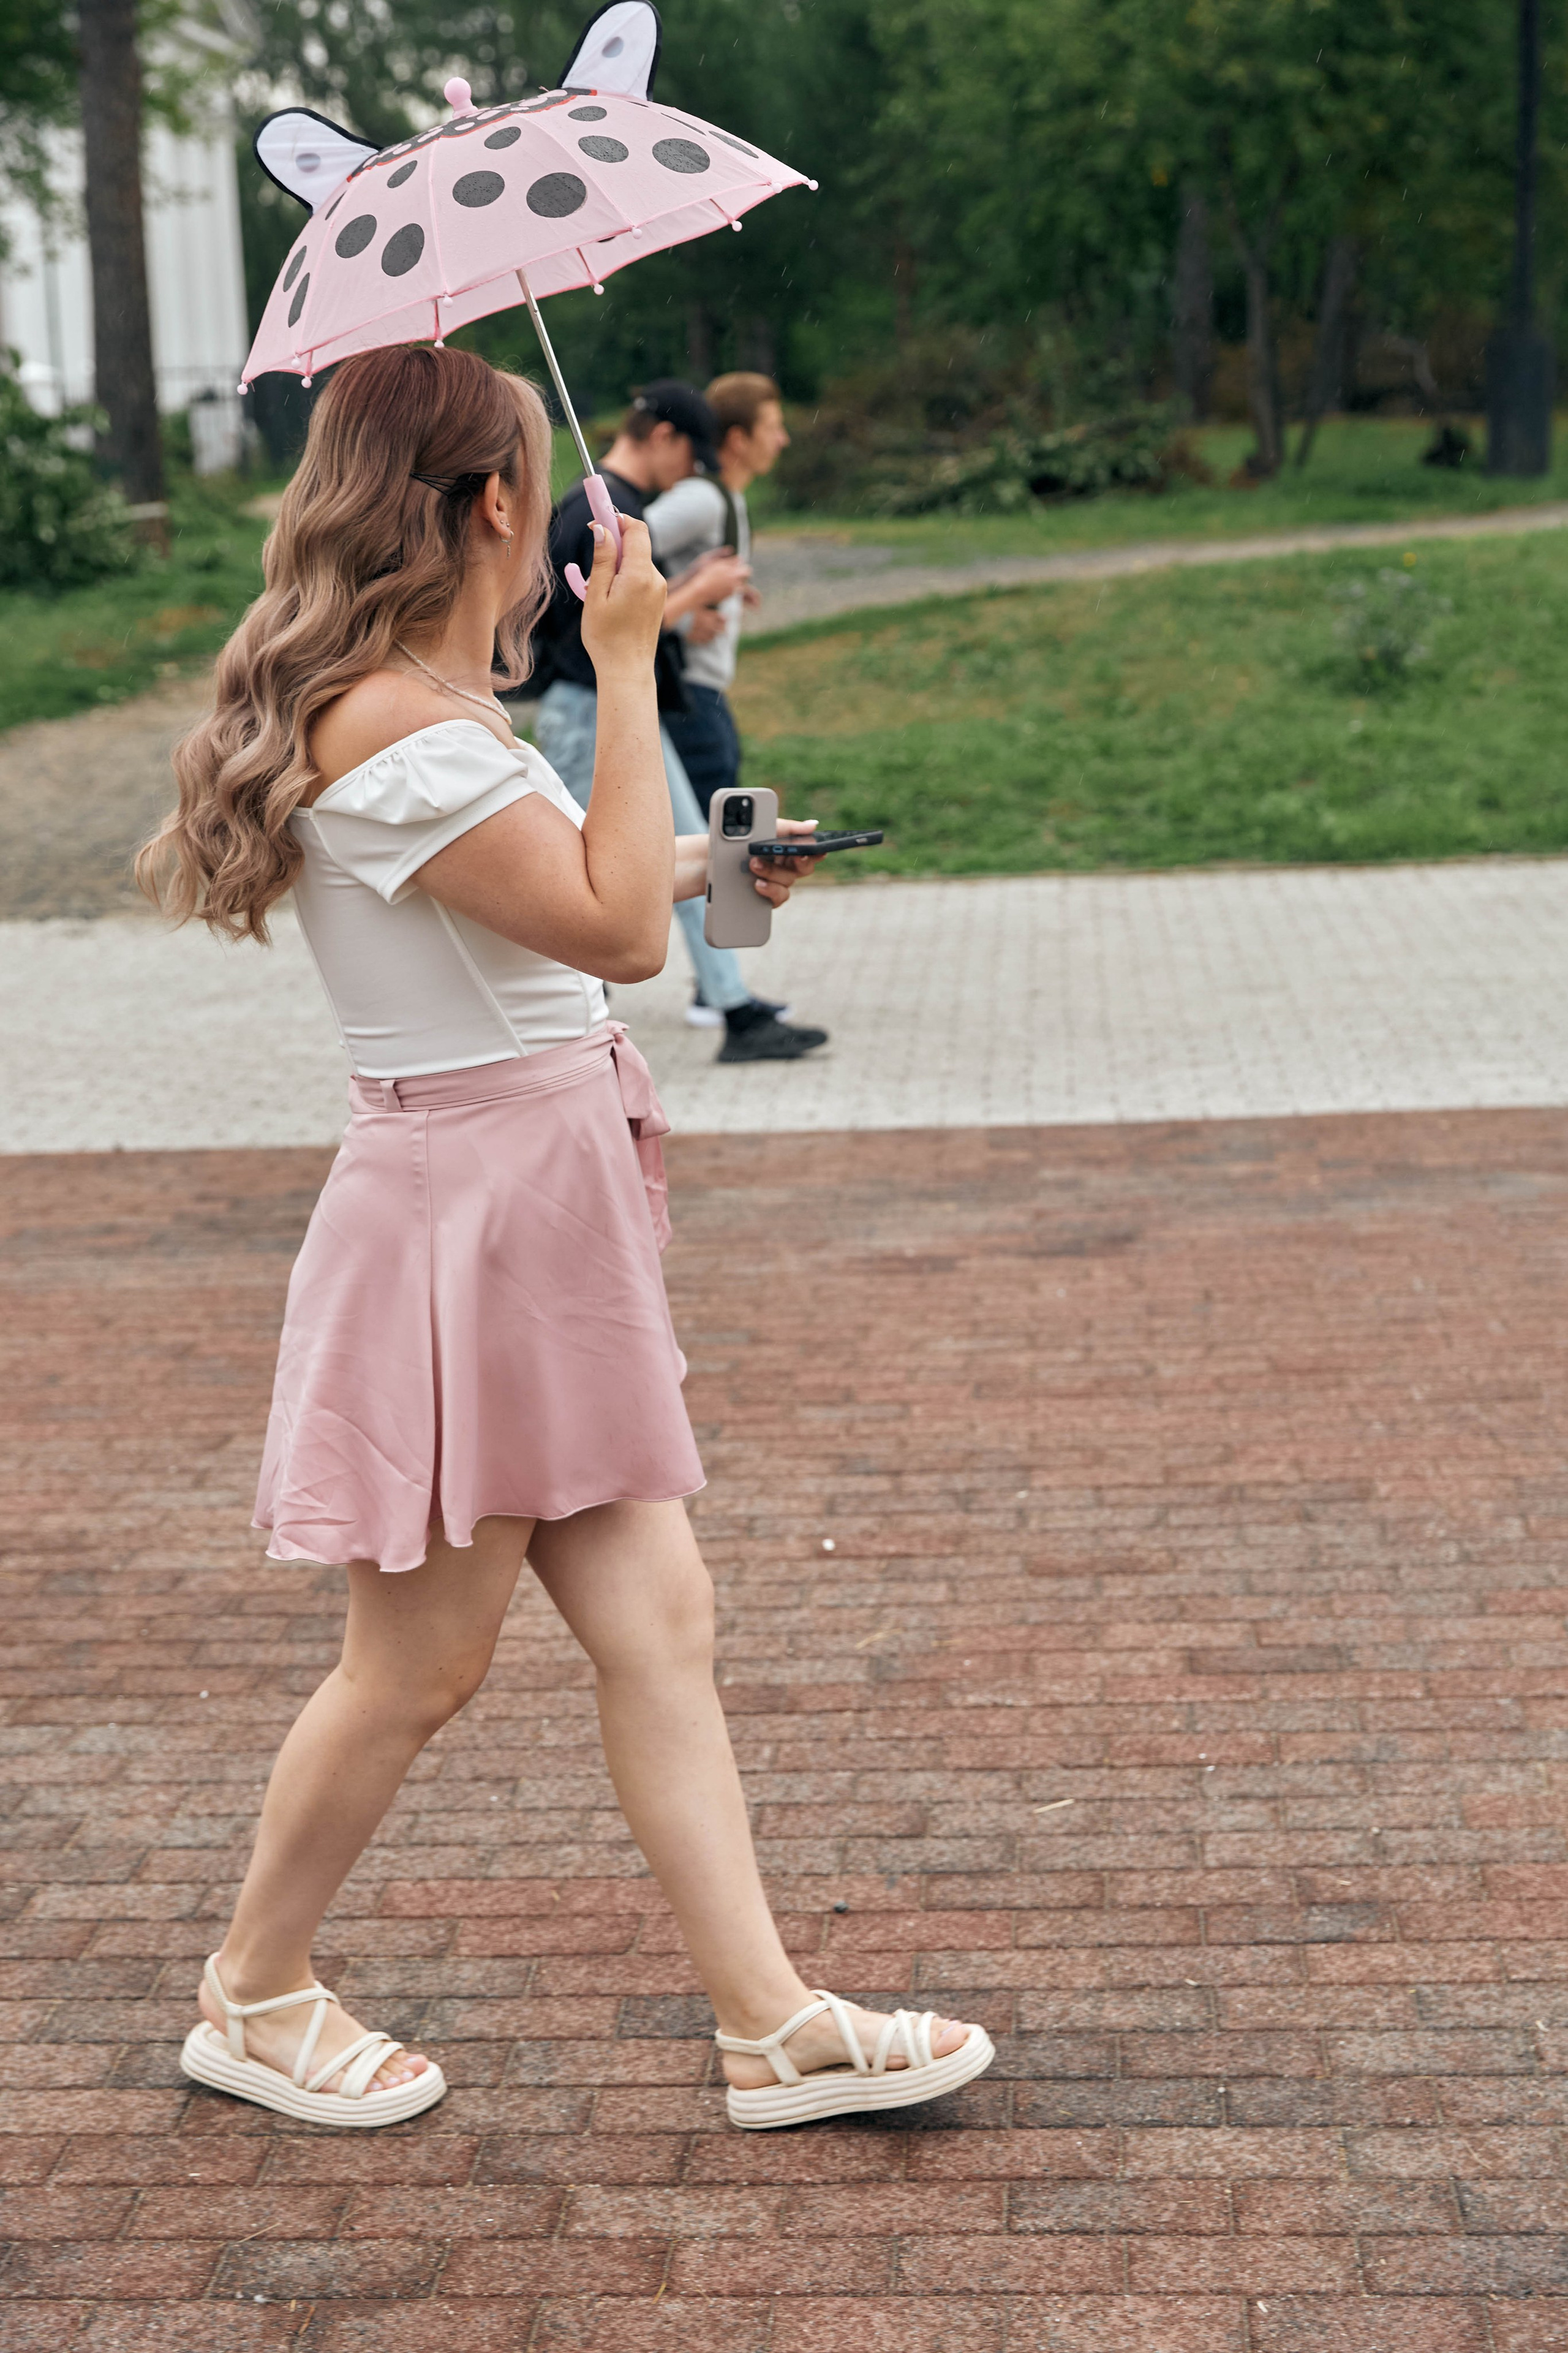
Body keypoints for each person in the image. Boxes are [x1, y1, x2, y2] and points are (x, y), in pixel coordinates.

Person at [135, 344, 992, 2132]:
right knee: (415, 1664)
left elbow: (566, 901)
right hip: (470, 1222)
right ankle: (252, 1987)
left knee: (660, 1617)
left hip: (541, 1206)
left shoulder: (426, 711)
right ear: (497, 503)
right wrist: (624, 665)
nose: (571, 516)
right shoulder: (384, 719)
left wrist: (721, 864)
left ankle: (769, 2021)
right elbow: (602, 934)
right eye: (545, 478)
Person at [518, 379, 828, 1066]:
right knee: (592, 873)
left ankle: (733, 1007)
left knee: (691, 846)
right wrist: (693, 594)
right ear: (665, 438)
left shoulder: (612, 507)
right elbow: (591, 630)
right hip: (589, 710)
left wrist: (683, 611)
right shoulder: (597, 514)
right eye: (690, 461)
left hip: (617, 706)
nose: (686, 478)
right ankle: (595, 1015)